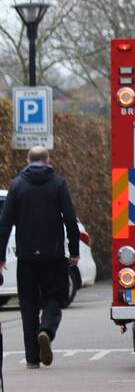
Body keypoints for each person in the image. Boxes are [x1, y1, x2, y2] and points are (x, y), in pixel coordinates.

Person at [0, 146, 79, 369]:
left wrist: (0, 255)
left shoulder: (16, 185)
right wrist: (73, 251)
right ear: (47, 159)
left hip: (26, 256)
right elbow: (71, 220)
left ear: (27, 160)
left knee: (28, 305)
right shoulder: (58, 184)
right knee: (55, 297)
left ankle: (32, 359)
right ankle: (46, 330)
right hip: (53, 255)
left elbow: (4, 223)